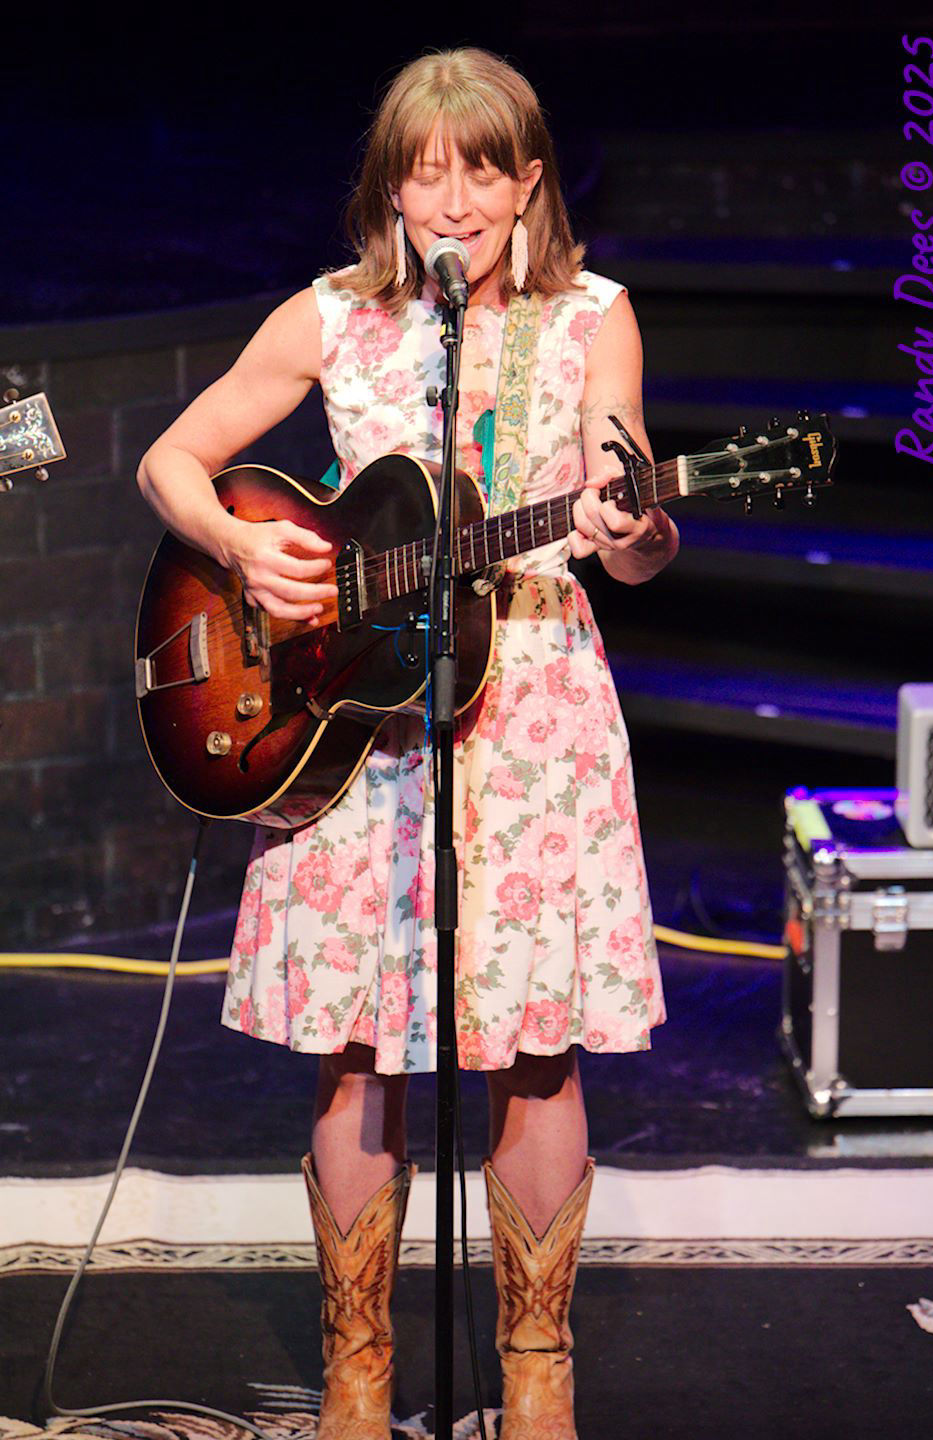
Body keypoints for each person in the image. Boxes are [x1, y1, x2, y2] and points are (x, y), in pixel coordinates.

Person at [137, 47, 676, 1440]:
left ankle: (538, 1373)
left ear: (529, 184)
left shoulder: (594, 317)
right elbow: (171, 459)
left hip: (535, 716)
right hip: (359, 718)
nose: (454, 203)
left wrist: (633, 526)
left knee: (538, 1049)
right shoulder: (330, 317)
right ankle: (358, 1371)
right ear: (390, 189)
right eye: (427, 176)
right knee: (360, 1049)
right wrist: (238, 545)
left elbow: (625, 516)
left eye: (482, 174)